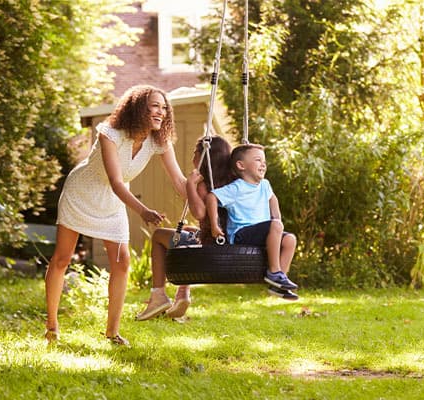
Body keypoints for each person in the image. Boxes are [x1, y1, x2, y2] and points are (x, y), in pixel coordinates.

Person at [44, 85, 188, 346]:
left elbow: (179, 181)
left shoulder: (159, 141)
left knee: (121, 263)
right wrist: (143, 211)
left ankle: (112, 333)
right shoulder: (109, 133)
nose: (161, 112)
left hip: (112, 201)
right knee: (62, 258)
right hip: (83, 192)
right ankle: (52, 326)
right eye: (154, 106)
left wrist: (199, 192)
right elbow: (115, 181)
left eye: (164, 107)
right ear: (138, 107)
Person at [135, 135, 233, 321]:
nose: (192, 157)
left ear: (205, 156)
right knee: (187, 228)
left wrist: (190, 185)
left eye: (195, 153)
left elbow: (199, 213)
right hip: (227, 242)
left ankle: (158, 295)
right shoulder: (230, 181)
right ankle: (182, 294)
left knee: (158, 236)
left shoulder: (204, 185)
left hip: (209, 246)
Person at [206, 143, 299, 301]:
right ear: (241, 165)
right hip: (242, 234)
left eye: (264, 161)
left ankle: (278, 283)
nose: (263, 164)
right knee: (276, 226)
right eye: (258, 160)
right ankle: (274, 272)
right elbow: (211, 197)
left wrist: (277, 219)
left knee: (290, 239)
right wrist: (215, 225)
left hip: (262, 233)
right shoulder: (237, 188)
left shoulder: (265, 185)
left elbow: (272, 198)